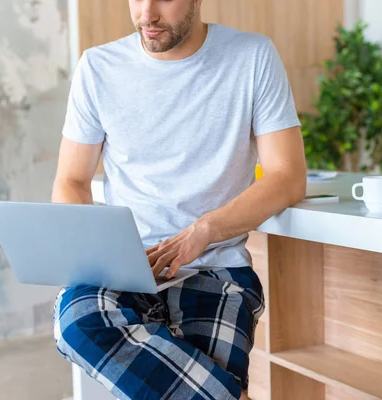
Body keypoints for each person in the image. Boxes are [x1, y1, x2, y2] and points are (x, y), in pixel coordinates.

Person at [51, 0, 306, 399]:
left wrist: (203, 231)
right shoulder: (97, 67)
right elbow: (70, 179)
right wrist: (99, 255)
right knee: (77, 321)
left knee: (193, 380)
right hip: (125, 270)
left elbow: (287, 177)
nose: (147, 14)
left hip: (217, 269)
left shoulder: (252, 56)